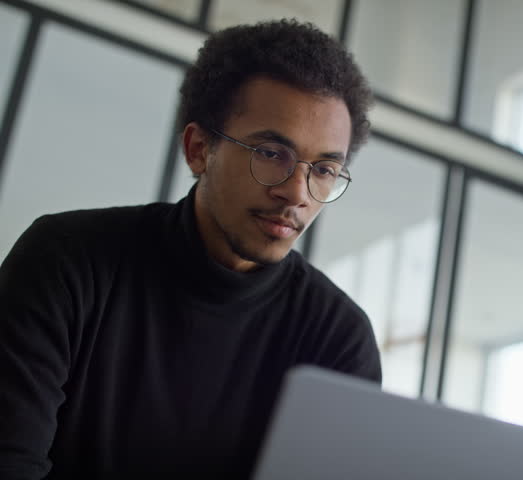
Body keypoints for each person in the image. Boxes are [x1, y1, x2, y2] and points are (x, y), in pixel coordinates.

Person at [0, 19, 381, 479]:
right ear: (200, 149)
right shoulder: (67, 260)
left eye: (323, 169)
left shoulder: (338, 338)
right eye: (270, 153)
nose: (297, 192)